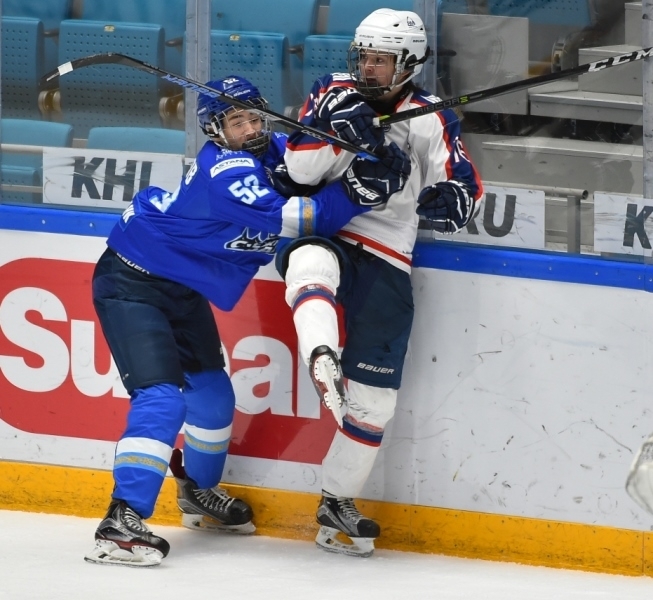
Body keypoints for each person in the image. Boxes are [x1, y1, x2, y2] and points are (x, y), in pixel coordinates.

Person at [86, 74, 411, 567]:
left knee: (213, 397)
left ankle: (197, 493)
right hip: (133, 280)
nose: (251, 128)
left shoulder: (274, 148)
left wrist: (365, 147)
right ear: (216, 131)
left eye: (255, 117)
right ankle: (120, 520)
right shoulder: (226, 171)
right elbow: (305, 219)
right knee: (162, 399)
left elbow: (313, 164)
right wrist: (357, 190)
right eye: (237, 122)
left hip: (182, 287)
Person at [277, 8, 484, 557]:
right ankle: (321, 355)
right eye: (364, 56)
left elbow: (463, 182)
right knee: (310, 263)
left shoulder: (431, 116)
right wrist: (336, 134)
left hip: (389, 251)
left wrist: (453, 201)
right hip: (329, 229)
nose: (368, 67)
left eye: (381, 59)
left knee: (375, 402)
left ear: (408, 64)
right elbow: (299, 171)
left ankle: (336, 501)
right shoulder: (332, 92)